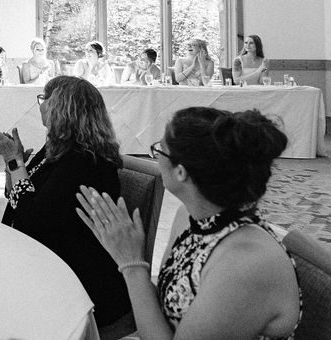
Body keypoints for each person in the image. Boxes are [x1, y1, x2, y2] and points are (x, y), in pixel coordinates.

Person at [76, 107, 300, 339]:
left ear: (181, 172)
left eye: (159, 149)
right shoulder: (190, 217)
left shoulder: (245, 263)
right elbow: (169, 306)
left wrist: (131, 264)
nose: (157, 156)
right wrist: (125, 255)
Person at [0, 76, 132, 331]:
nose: (40, 105)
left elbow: (32, 220)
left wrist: (15, 163)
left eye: (45, 98)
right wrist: (13, 167)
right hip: (46, 262)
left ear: (63, 107)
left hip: (76, 284)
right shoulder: (56, 148)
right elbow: (18, 201)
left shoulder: (84, 161)